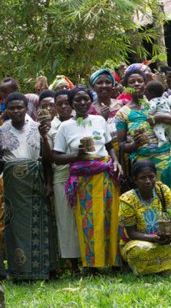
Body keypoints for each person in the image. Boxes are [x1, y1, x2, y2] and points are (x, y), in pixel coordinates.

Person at [115, 67, 171, 246]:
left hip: (167, 161)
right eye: (131, 82)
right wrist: (134, 145)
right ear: (125, 87)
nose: (136, 84)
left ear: (146, 84)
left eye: (140, 81)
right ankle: (153, 241)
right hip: (143, 167)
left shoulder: (158, 103)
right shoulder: (123, 113)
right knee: (152, 204)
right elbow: (121, 146)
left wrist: (160, 116)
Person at [52, 86, 123, 271]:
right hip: (83, 180)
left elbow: (109, 146)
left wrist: (116, 161)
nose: (82, 103)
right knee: (89, 221)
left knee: (110, 217)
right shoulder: (65, 126)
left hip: (105, 175)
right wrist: (76, 155)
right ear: (72, 103)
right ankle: (93, 264)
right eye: (77, 100)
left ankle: (114, 262)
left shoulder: (99, 120)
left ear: (90, 101)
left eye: (85, 99)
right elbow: (56, 157)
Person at [0, 92, 57, 280]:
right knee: (15, 226)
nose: (16, 111)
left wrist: (49, 183)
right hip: (13, 188)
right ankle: (19, 272)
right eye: (12, 108)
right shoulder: (2, 131)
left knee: (40, 224)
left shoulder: (36, 127)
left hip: (36, 182)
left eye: (20, 107)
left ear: (26, 108)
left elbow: (48, 161)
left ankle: (43, 270)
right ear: (6, 110)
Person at [119, 160, 171, 275]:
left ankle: (163, 268)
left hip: (164, 236)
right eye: (142, 178)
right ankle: (157, 269)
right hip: (140, 240)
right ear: (135, 180)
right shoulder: (127, 200)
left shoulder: (163, 191)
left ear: (156, 176)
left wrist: (170, 231)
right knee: (137, 250)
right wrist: (154, 238)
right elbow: (132, 233)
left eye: (151, 177)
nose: (148, 181)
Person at [47, 89, 80, 275]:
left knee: (83, 219)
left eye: (68, 102)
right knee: (66, 222)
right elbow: (49, 158)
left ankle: (89, 260)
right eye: (60, 104)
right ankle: (73, 266)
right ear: (55, 107)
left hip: (84, 175)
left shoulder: (83, 121)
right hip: (62, 176)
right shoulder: (51, 128)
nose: (65, 106)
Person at [88, 69, 124, 151]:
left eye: (108, 82)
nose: (104, 85)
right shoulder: (89, 110)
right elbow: (88, 135)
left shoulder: (123, 104)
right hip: (103, 151)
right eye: (99, 83)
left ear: (113, 85)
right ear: (93, 87)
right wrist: (101, 118)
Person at [145, 80, 171, 148]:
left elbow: (153, 107)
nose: (145, 94)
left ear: (151, 93)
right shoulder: (164, 98)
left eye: (146, 92)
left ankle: (162, 139)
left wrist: (148, 113)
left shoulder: (153, 101)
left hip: (161, 121)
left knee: (158, 130)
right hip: (169, 118)